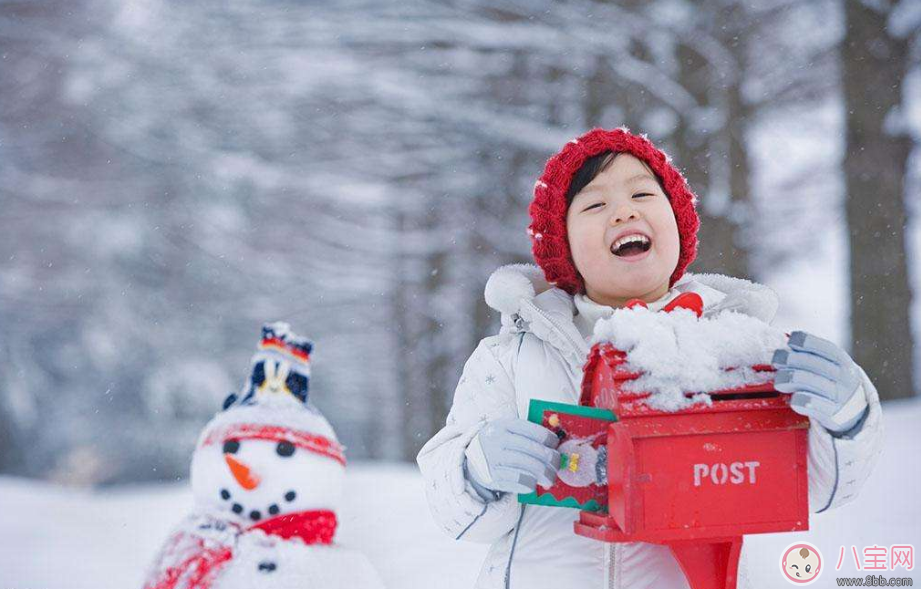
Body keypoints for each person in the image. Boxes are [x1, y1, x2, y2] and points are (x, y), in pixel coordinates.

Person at [416, 127, 883, 589]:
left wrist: (847, 420)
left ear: (678, 224)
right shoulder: (511, 358)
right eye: (596, 205)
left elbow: (816, 488)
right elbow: (457, 516)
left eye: (643, 194)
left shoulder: (742, 348)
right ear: (565, 248)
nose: (623, 211)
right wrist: (476, 469)